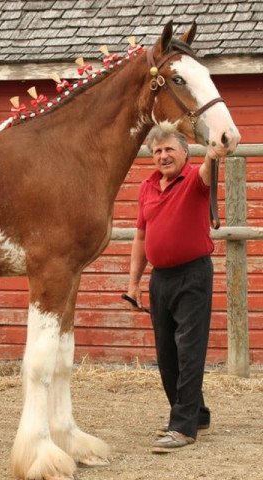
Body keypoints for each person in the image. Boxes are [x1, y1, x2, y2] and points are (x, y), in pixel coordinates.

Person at [126, 124, 214, 454]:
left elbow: (210, 163)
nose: (163, 156)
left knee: (189, 350)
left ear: (185, 153)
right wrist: (134, 283)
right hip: (160, 279)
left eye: (169, 150)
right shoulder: (147, 187)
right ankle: (197, 413)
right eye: (157, 151)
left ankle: (182, 427)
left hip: (193, 275)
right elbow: (141, 237)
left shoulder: (196, 179)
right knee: (167, 354)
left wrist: (215, 147)